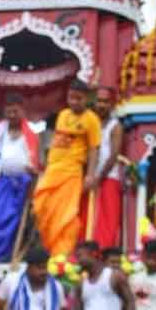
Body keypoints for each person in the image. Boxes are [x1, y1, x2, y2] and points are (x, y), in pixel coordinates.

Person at [33, 79, 102, 260]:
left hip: (72, 172)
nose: (74, 102)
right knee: (41, 207)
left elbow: (94, 148)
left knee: (66, 215)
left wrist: (90, 174)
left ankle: (62, 255)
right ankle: (50, 250)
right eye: (71, 98)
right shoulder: (63, 115)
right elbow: (57, 144)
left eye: (79, 98)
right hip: (53, 170)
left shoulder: (92, 119)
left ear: (86, 98)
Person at [0, 93, 39, 262]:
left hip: (23, 185)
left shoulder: (31, 134)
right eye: (9, 112)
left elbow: (35, 165)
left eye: (15, 111)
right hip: (0, 183)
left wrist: (31, 190)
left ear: (22, 111)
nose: (12, 115)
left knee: (20, 223)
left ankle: (13, 259)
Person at [92, 88, 124, 252]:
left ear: (111, 104)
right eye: (99, 101)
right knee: (93, 218)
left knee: (108, 218)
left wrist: (100, 176)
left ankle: (105, 252)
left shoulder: (115, 126)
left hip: (109, 177)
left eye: (105, 102)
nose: (101, 105)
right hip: (92, 179)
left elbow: (114, 155)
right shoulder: (92, 124)